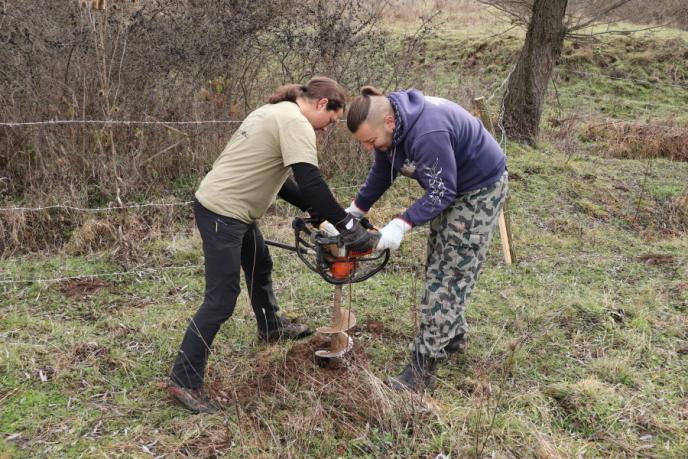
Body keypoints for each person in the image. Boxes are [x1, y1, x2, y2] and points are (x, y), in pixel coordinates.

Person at [168, 77, 376, 413]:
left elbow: (281, 183)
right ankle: (184, 379)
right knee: (221, 299)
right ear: (322, 105)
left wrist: (319, 212)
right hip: (224, 212)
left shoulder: (275, 111)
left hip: (229, 207)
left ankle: (271, 326)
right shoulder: (295, 123)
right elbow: (311, 182)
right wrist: (346, 224)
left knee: (259, 264)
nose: (326, 129)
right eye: (331, 121)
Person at [345, 86, 508, 391]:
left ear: (390, 123)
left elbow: (442, 191)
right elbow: (383, 172)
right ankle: (452, 337)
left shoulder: (427, 132)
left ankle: (422, 369)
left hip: (478, 191)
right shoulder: (391, 129)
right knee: (438, 261)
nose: (368, 147)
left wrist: (398, 225)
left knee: (447, 276)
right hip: (452, 186)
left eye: (370, 141)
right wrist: (354, 211)